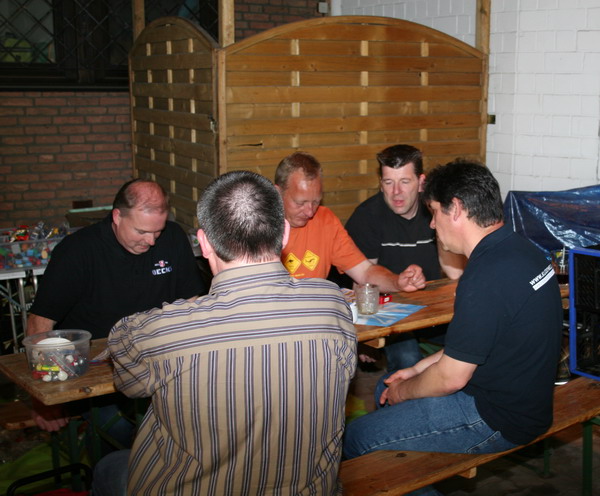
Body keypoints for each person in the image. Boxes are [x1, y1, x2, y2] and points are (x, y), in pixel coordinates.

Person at [92, 170, 357, 496]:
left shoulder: (161, 332)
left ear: (204, 243)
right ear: (285, 233)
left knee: (108, 467)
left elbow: (127, 378)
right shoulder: (331, 304)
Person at [343, 160, 562, 495]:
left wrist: (405, 390)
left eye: (434, 212)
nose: (432, 224)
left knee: (358, 437)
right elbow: (475, 344)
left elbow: (451, 378)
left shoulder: (484, 276)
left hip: (497, 416)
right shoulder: (522, 250)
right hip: (526, 402)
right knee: (385, 390)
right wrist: (415, 370)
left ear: (456, 208)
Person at [27, 178, 207, 433]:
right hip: (93, 373)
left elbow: (191, 304)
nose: (151, 241)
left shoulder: (173, 237)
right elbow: (40, 322)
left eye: (157, 231)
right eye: (141, 232)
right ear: (117, 217)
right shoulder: (77, 251)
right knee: (123, 430)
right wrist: (43, 399)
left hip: (157, 365)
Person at [345, 145, 465, 370]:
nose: (396, 192)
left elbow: (455, 274)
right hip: (390, 313)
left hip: (433, 309)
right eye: (389, 182)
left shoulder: (436, 211)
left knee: (477, 339)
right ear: (381, 183)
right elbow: (361, 281)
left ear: (421, 182)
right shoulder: (366, 216)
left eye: (405, 182)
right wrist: (364, 335)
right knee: (407, 359)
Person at [274, 151, 426, 294]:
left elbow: (365, 272)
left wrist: (397, 282)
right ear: (277, 193)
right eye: (300, 203)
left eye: (315, 202)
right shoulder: (261, 227)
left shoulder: (325, 220)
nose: (309, 212)